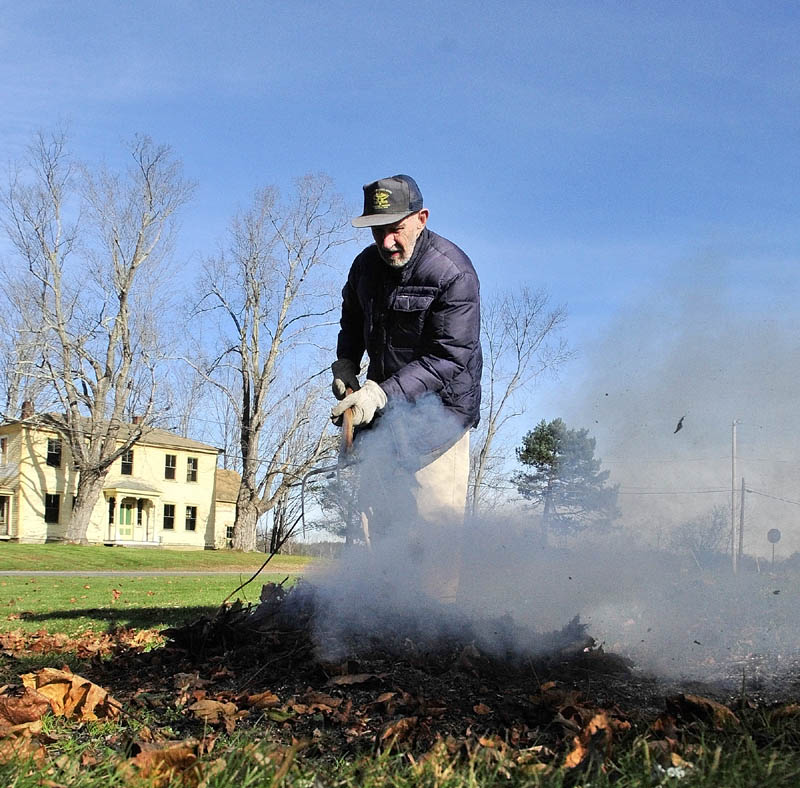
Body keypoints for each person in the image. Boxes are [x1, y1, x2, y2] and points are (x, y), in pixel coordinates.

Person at [330, 174, 482, 602]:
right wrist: (346, 360)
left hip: (441, 421)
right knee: (381, 524)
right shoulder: (363, 268)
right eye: (379, 231)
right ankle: (391, 620)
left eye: (396, 228)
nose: (387, 242)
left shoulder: (453, 273)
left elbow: (451, 357)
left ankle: (438, 633)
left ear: (421, 218)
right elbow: (352, 321)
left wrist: (380, 394)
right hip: (384, 419)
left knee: (435, 532)